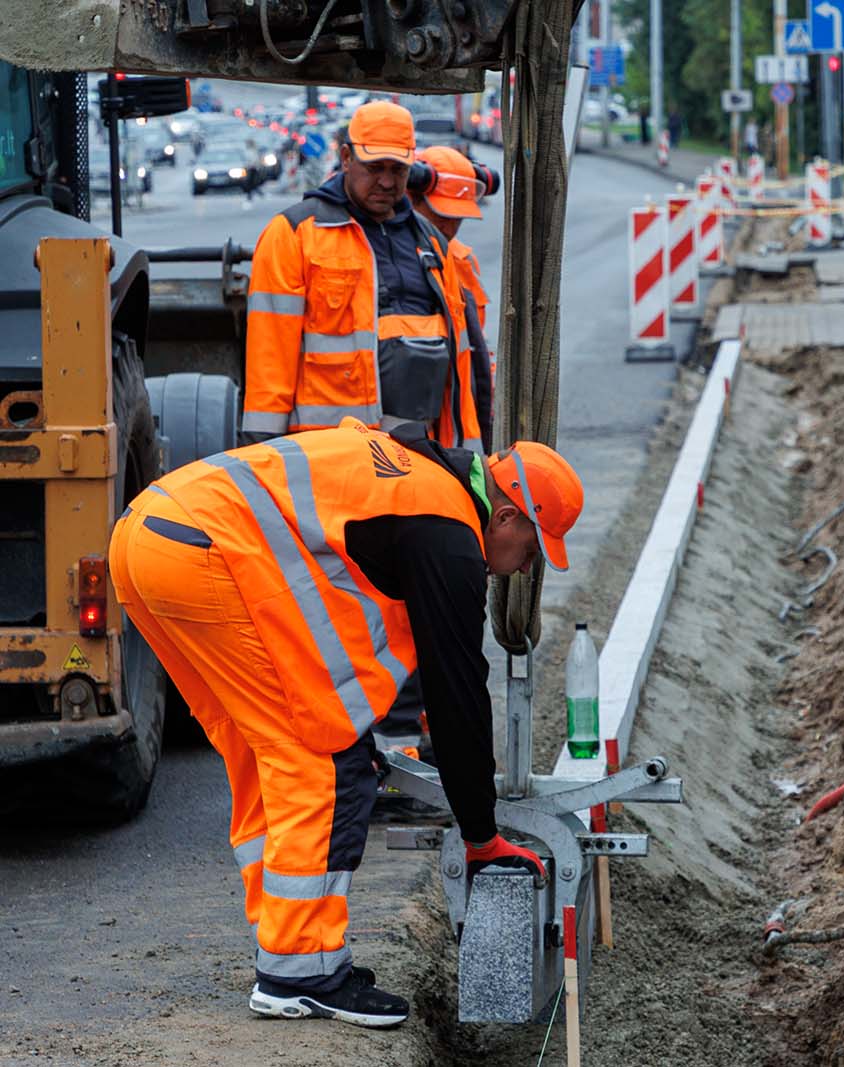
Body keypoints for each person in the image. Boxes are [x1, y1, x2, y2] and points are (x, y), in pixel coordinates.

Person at [108, 419, 584, 1026]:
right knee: (324, 755)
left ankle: (293, 942)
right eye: (532, 551)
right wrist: (482, 836)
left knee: (264, 751)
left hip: (144, 536)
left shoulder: (421, 475)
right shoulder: (448, 533)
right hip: (199, 552)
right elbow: (458, 694)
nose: (521, 570)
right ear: (508, 517)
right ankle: (298, 970)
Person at [244, 101, 487, 760]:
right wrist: (261, 479)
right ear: (344, 156)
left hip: (413, 468)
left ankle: (402, 759)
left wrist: (464, 458)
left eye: (397, 170)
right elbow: (269, 371)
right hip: (328, 474)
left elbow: (462, 362)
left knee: (408, 611)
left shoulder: (430, 245)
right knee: (341, 621)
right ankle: (352, 760)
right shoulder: (295, 236)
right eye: (375, 167)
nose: (385, 181)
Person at [411, 145, 495, 441]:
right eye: (441, 214)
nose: (450, 226)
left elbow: (474, 346)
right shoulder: (394, 257)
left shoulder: (461, 261)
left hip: (459, 422)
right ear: (412, 197)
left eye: (458, 217)